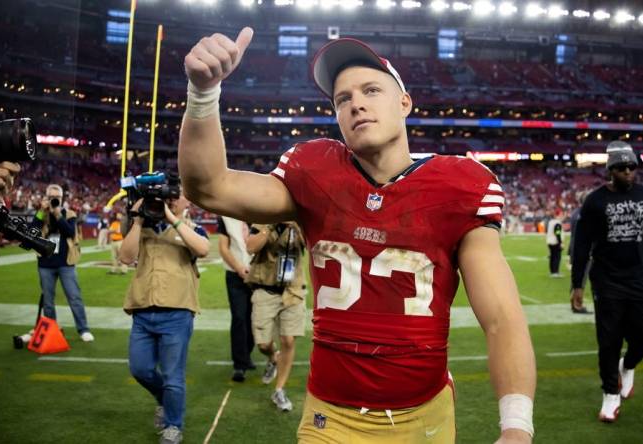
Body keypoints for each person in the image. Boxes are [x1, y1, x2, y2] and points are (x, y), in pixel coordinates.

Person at [178, 30, 536, 443]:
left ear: (405, 102)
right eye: (342, 99)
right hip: (330, 417)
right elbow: (209, 188)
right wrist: (203, 93)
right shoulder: (314, 172)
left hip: (423, 417)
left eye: (370, 90)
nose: (356, 104)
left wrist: (517, 426)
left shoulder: (459, 186)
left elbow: (501, 317)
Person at [571, 141, 643, 423]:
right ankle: (610, 394)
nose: (629, 172)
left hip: (642, 279)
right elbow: (581, 245)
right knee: (609, 340)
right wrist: (577, 284)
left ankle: (627, 366)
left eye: (632, 167)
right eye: (622, 168)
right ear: (611, 170)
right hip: (607, 281)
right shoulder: (594, 201)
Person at [119, 192, 210, 444]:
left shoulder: (193, 228)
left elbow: (203, 249)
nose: (169, 200)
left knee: (173, 375)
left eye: (176, 197)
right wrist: (137, 220)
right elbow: (125, 257)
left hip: (177, 312)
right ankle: (163, 399)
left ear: (187, 202)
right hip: (143, 309)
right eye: (166, 198)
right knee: (140, 369)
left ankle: (173, 425)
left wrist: (172, 218)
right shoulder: (143, 227)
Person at [245, 221, 307, 412]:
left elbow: (311, 245)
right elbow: (251, 247)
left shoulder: (299, 222)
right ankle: (273, 357)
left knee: (288, 340)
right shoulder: (261, 221)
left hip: (293, 289)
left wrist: (296, 226)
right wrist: (270, 226)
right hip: (265, 289)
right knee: (263, 344)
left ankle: (279, 389)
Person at [31, 184, 94, 342]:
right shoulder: (41, 214)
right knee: (48, 301)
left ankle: (83, 329)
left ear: (62, 198)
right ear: (46, 197)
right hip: (45, 263)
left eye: (57, 198)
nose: (54, 200)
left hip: (66, 263)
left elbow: (69, 232)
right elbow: (31, 232)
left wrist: (58, 214)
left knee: (74, 297)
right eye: (51, 197)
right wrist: (41, 211)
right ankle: (51, 329)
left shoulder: (69, 213)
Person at [217, 215, 256, 381]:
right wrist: (239, 267)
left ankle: (247, 353)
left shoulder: (260, 214)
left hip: (258, 275)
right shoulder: (225, 217)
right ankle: (239, 364)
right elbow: (223, 248)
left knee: (255, 318)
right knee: (239, 317)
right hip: (234, 274)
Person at [546, 209, 563, 278]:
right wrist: (560, 242)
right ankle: (555, 272)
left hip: (549, 241)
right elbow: (557, 233)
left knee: (552, 257)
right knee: (557, 257)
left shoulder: (551, 222)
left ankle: (552, 271)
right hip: (555, 242)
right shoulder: (557, 223)